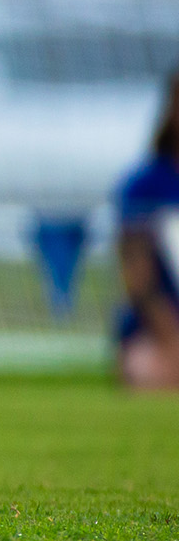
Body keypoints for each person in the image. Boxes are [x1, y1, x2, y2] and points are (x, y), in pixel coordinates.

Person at [117, 69, 179, 390]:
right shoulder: (144, 186)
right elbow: (136, 274)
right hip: (155, 330)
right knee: (152, 371)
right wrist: (169, 334)